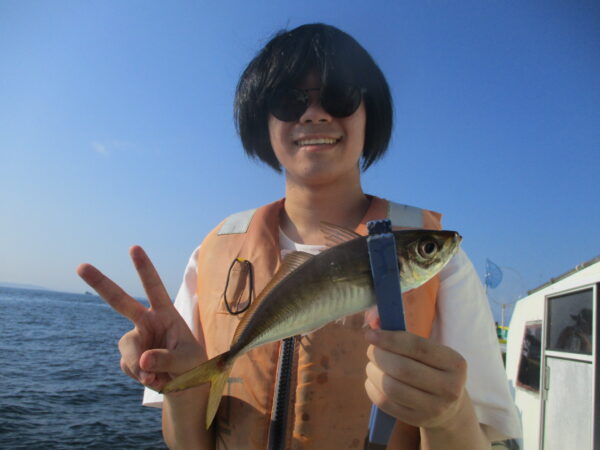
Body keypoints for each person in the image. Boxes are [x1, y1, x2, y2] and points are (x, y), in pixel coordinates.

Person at [77, 23, 521, 449]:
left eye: (340, 95)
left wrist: (449, 417)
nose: (315, 113)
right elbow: (188, 443)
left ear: (371, 113)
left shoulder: (445, 268)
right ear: (262, 121)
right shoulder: (210, 254)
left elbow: (490, 440)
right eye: (289, 100)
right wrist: (181, 386)